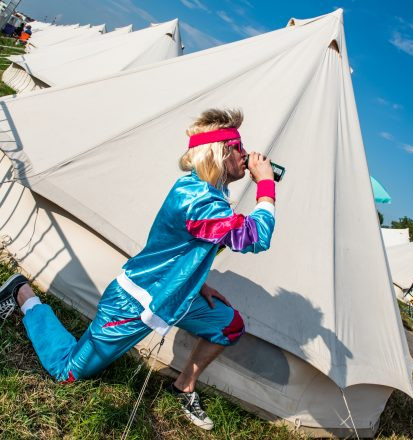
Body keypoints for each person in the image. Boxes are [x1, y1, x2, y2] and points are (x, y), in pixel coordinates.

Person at [0, 108, 276, 431]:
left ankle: (183, 386)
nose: (245, 156)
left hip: (174, 296)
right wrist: (266, 184)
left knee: (229, 326)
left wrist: (197, 285)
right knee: (68, 371)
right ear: (222, 152)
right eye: (239, 149)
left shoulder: (208, 193)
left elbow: (180, 246)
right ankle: (23, 294)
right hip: (134, 304)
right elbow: (257, 237)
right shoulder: (198, 200)